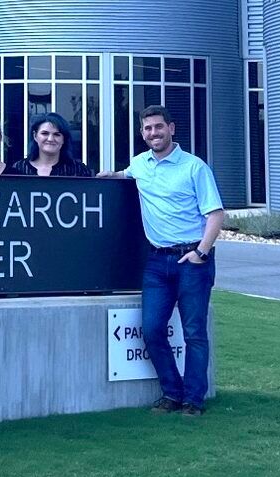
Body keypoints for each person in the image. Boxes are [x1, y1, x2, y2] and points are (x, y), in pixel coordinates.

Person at [97, 105, 224, 418]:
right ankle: (172, 393)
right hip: (157, 261)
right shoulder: (140, 164)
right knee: (152, 329)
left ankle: (193, 400)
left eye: (158, 127)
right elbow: (123, 176)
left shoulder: (194, 167)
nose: (153, 133)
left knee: (194, 333)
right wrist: (110, 176)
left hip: (192, 260)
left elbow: (216, 214)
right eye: (147, 128)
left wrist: (201, 252)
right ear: (142, 133)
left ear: (171, 128)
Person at [14, 112, 93, 177]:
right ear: (35, 136)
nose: (50, 139)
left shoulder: (79, 171)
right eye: (45, 133)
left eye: (57, 134)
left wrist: (99, 183)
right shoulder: (18, 169)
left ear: (64, 139)